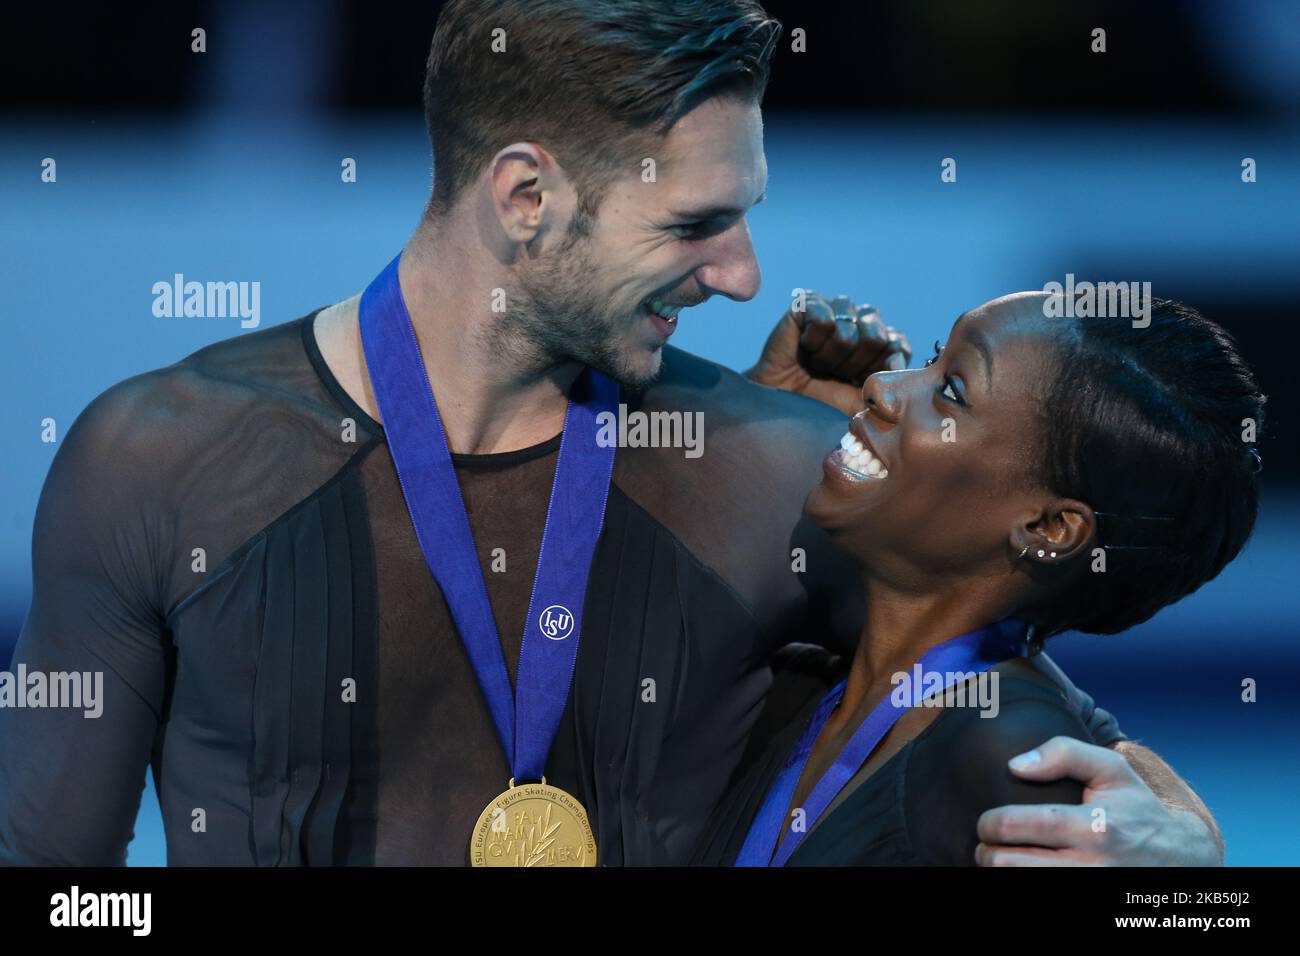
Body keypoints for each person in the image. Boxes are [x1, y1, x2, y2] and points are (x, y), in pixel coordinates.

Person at [0, 0, 1220, 866]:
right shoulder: (150, 459)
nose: (745, 277)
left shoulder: (769, 468)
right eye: (696, 225)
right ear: (527, 199)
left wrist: (1187, 858)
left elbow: (981, 640)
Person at [692, 292, 1262, 866]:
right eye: (936, 356)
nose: (880, 385)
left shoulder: (1014, 758)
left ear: (1048, 527)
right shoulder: (817, 675)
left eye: (952, 392)